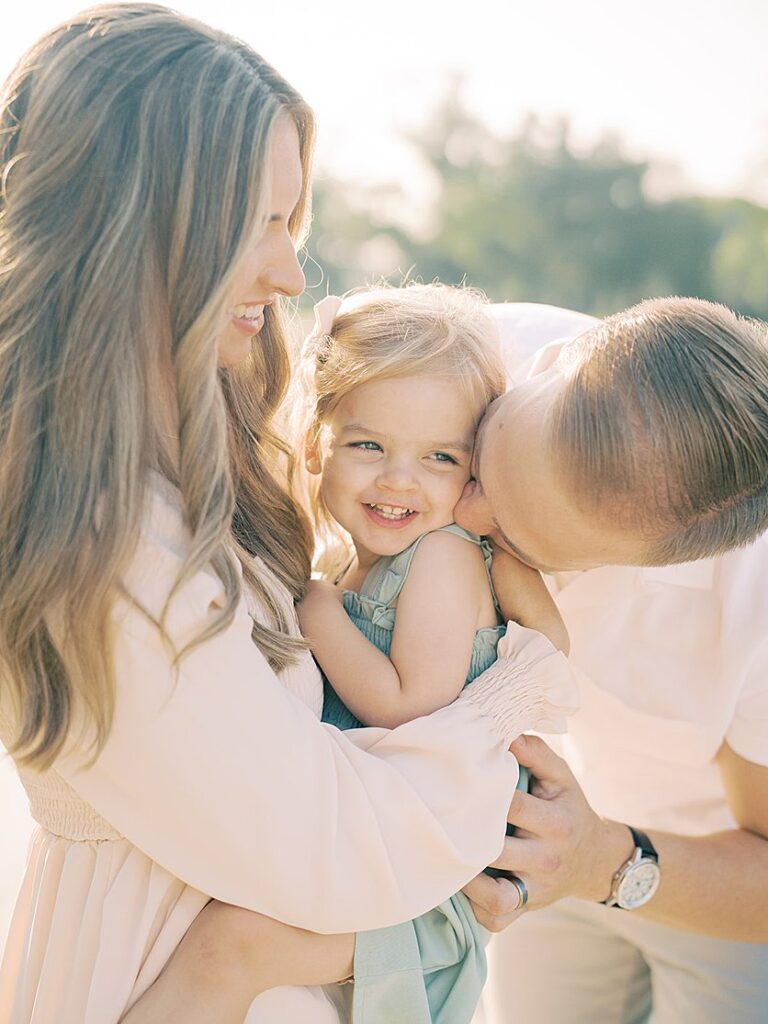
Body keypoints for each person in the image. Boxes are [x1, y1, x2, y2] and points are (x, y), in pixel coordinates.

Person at [0, 9, 577, 1024]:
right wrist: (505, 704)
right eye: (260, 225)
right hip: (156, 968)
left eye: (292, 226)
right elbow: (331, 847)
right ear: (137, 221)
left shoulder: (173, 460)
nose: (291, 274)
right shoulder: (101, 533)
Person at [121, 285, 573, 1024]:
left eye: (439, 457)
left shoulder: (444, 558)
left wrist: (316, 609)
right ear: (313, 445)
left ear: (474, 473)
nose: (399, 479)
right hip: (374, 852)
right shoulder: (351, 562)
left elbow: (410, 704)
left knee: (229, 946)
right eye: (368, 445)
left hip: (430, 886)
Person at [456, 300, 768, 1023]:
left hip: (708, 882)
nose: (468, 514)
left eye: (516, 535)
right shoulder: (471, 353)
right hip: (555, 847)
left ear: (633, 567)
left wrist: (604, 861)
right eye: (483, 452)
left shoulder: (752, 599)